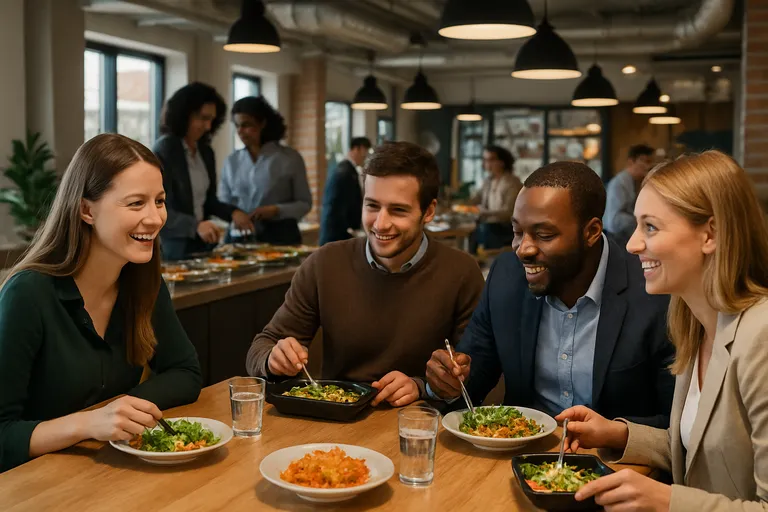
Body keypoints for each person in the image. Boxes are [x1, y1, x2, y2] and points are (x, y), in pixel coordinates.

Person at [556, 151, 768, 511]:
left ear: (710, 235)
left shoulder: (761, 338)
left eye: (650, 227)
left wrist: (668, 501)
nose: (632, 244)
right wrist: (618, 433)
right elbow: (703, 450)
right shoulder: (694, 323)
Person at [0, 134, 202, 472]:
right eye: (136, 203)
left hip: (107, 474)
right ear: (86, 210)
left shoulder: (144, 282)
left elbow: (186, 371)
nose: (154, 218)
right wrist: (89, 423)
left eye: (159, 201)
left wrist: (122, 409)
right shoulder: (28, 295)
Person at [426, 161, 674, 427]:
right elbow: (472, 381)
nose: (523, 249)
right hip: (521, 456)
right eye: (517, 232)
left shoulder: (653, 291)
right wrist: (446, 383)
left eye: (543, 235)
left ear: (591, 232)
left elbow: (674, 422)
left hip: (615, 462)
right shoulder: (507, 277)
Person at [246, 141, 484, 407]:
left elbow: (474, 374)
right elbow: (261, 347)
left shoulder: (462, 272)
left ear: (428, 211)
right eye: (372, 206)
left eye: (398, 210)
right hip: (336, 422)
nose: (380, 224)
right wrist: (273, 359)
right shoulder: (324, 263)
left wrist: (423, 386)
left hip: (420, 424)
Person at [153, 82, 253, 260]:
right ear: (184, 115)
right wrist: (195, 225)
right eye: (202, 118)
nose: (208, 126)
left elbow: (208, 201)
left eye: (211, 120)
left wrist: (233, 213)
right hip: (173, 247)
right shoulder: (165, 149)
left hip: (202, 244)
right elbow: (156, 207)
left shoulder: (205, 151)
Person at [219, 96, 312, 245]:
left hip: (281, 238)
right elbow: (223, 202)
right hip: (239, 238)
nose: (240, 131)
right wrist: (234, 214)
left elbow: (305, 203)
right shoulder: (232, 161)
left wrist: (276, 210)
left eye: (246, 125)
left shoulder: (290, 158)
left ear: (262, 123)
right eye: (237, 126)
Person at [319, 137, 372, 245]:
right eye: (365, 152)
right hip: (336, 235)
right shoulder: (344, 172)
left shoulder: (348, 170)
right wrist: (350, 230)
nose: (365, 156)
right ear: (357, 149)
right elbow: (335, 205)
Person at [469, 145, 523, 251]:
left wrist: (485, 213)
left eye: (491, 160)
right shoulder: (488, 181)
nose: (486, 163)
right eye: (485, 160)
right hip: (489, 225)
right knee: (472, 229)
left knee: (483, 229)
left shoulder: (511, 183)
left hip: (506, 228)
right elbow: (476, 199)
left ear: (502, 162)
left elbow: (509, 213)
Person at [603, 144, 655, 247]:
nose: (648, 166)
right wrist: (641, 221)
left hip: (629, 236)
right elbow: (613, 220)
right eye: (645, 161)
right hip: (617, 239)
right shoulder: (619, 183)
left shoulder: (638, 181)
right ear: (631, 162)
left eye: (650, 161)